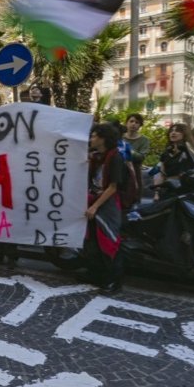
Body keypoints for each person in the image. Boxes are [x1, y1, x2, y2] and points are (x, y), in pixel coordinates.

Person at [84, 123, 124, 293]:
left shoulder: (115, 157)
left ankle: (114, 282)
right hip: (95, 201)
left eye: (93, 135)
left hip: (107, 206)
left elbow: (113, 187)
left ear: (102, 138)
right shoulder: (97, 157)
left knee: (109, 242)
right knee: (93, 242)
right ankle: (97, 275)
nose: (91, 139)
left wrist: (94, 206)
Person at [154, 123, 194, 189]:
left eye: (177, 131)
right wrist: (157, 192)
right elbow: (161, 174)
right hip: (170, 186)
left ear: (184, 134)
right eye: (171, 131)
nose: (173, 133)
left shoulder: (189, 151)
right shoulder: (166, 152)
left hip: (186, 187)